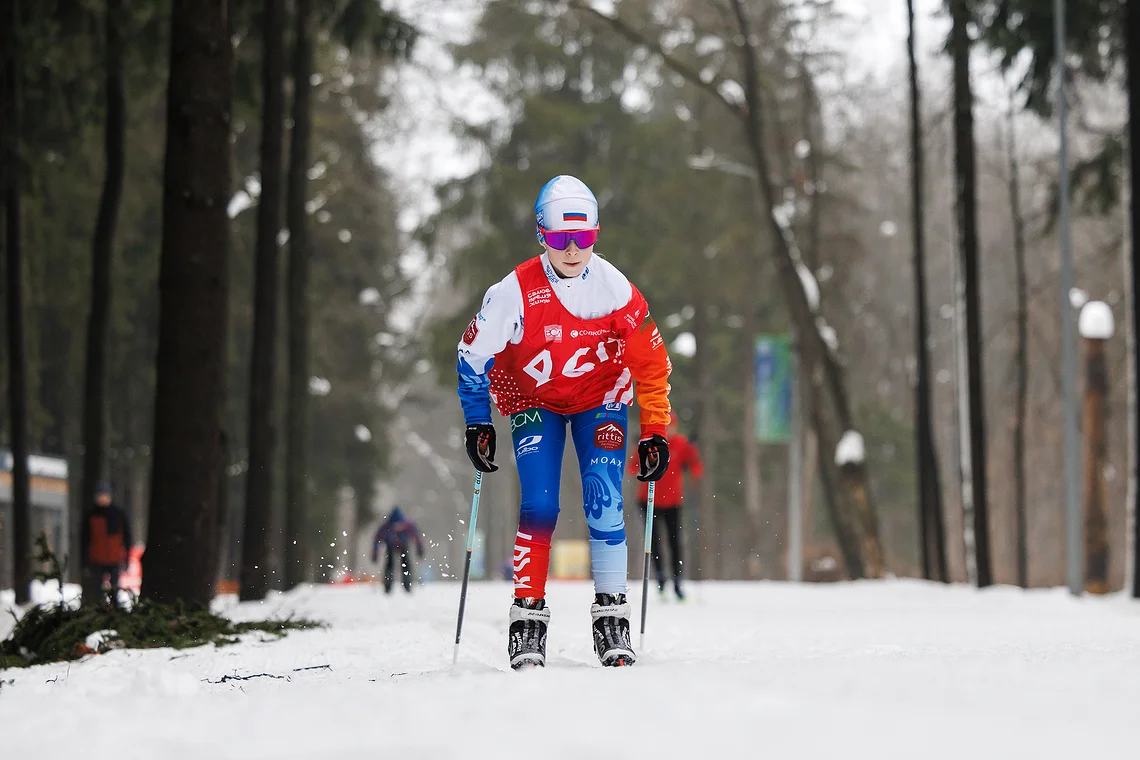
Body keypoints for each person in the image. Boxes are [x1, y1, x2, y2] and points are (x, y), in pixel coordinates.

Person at [457, 175, 672, 669]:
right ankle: (527, 620)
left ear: (597, 233)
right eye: (560, 239)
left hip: (602, 398)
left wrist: (656, 429)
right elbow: (471, 356)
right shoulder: (513, 291)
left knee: (605, 500)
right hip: (536, 400)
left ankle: (611, 617)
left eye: (585, 238)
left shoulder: (615, 289)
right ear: (541, 236)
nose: (573, 249)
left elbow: (652, 365)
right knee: (541, 504)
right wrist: (477, 421)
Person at [628, 412, 703, 600]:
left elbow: (696, 468)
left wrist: (693, 452)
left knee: (674, 541)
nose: (669, 431)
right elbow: (632, 468)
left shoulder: (681, 444)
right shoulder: (649, 443)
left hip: (673, 501)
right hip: (648, 499)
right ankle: (661, 577)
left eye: (671, 427)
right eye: (665, 427)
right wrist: (637, 450)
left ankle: (677, 580)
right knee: (653, 542)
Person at [80, 482, 133, 609]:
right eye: (100, 496)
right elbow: (85, 540)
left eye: (105, 495)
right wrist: (85, 561)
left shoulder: (118, 514)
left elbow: (127, 537)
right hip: (96, 559)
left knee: (114, 589)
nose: (103, 499)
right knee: (97, 591)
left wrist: (126, 558)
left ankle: (114, 609)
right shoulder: (91, 515)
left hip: (114, 558)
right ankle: (98, 609)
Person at [371, 507, 424, 594]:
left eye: (399, 525)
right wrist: (375, 553)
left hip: (404, 546)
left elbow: (417, 537)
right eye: (395, 525)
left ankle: (407, 585)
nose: (397, 527)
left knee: (406, 563)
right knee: (389, 564)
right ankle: (388, 586)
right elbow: (377, 540)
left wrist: (420, 549)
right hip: (390, 546)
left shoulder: (409, 526)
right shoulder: (385, 527)